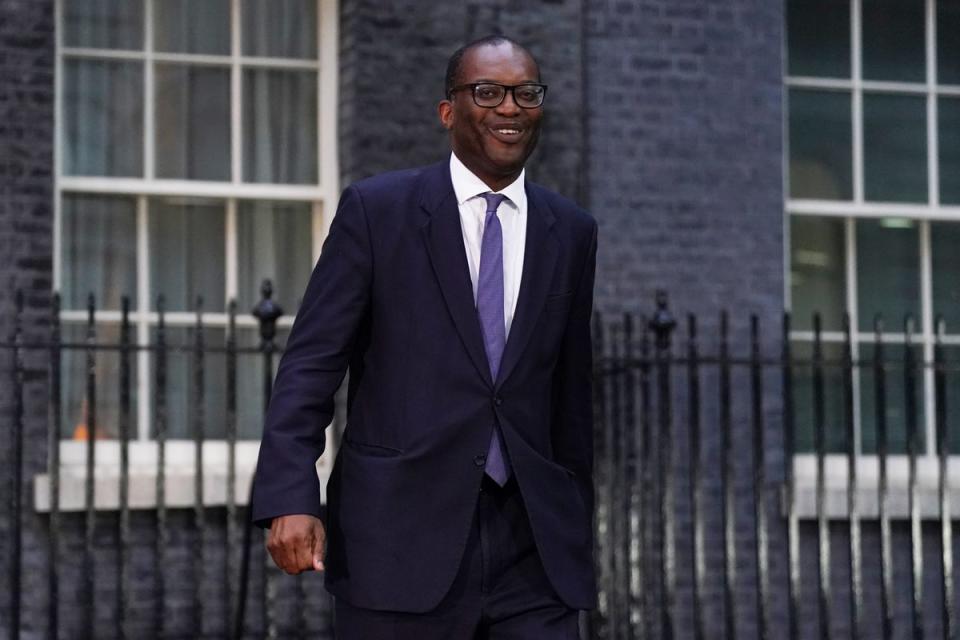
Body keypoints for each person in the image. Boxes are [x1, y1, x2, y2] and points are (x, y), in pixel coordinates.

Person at [251, 34, 598, 639]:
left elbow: (569, 393)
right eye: (487, 92)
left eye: (526, 93)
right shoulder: (377, 211)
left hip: (533, 554)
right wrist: (290, 495)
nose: (510, 108)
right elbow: (311, 363)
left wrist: (573, 517)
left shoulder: (570, 230)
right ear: (448, 111)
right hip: (398, 544)